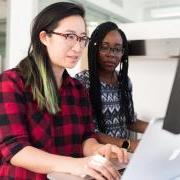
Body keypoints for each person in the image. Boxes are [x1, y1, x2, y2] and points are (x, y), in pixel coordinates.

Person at [0, 4, 128, 180]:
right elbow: (14, 148)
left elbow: (86, 137)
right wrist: (76, 164)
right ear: (44, 37)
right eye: (69, 36)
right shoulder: (11, 82)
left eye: (82, 38)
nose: (78, 47)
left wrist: (98, 150)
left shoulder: (78, 89)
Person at [75, 21, 148, 153]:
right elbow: (89, 131)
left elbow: (130, 121)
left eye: (117, 49)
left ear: (123, 53)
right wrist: (128, 144)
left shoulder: (124, 81)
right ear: (94, 49)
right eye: (104, 47)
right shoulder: (81, 82)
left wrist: (158, 129)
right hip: (97, 157)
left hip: (123, 157)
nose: (111, 54)